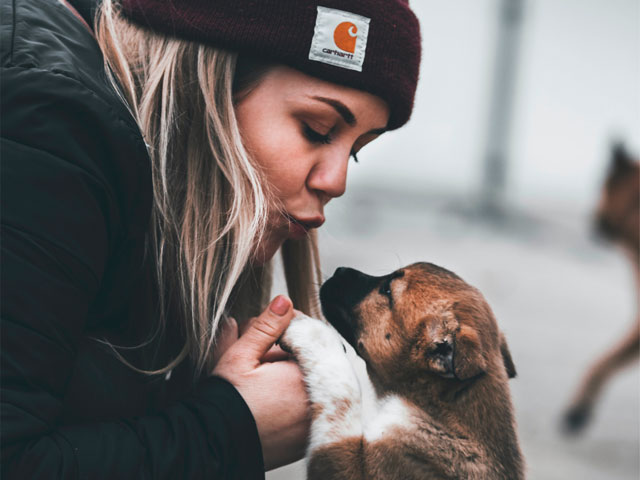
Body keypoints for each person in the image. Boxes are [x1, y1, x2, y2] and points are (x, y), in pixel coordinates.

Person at [0, 0, 420, 478]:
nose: (336, 181)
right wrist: (229, 430)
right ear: (210, 81)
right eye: (318, 130)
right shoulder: (47, 130)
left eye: (358, 151)